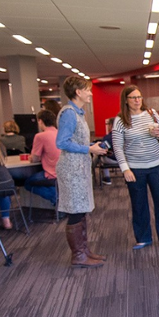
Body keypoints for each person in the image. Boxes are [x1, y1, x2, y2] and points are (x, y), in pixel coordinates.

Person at [111, 85, 159, 249]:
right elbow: (118, 147)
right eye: (133, 98)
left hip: (156, 165)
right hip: (135, 168)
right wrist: (125, 168)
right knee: (139, 203)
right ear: (126, 101)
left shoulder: (151, 114)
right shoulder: (120, 120)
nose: (137, 100)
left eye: (139, 97)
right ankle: (143, 237)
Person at [56, 75, 108, 268]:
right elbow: (61, 142)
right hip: (71, 169)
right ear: (78, 92)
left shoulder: (78, 113)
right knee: (75, 211)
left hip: (79, 167)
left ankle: (84, 251)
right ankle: (78, 255)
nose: (90, 93)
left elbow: (75, 140)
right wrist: (89, 149)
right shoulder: (69, 113)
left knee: (81, 209)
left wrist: (91, 146)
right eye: (87, 89)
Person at [26, 108, 59, 207]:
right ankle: (59, 195)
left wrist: (30, 157)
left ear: (40, 121)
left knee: (28, 183)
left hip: (52, 173)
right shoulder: (61, 133)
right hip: (65, 172)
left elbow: (35, 158)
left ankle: (55, 196)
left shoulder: (40, 136)